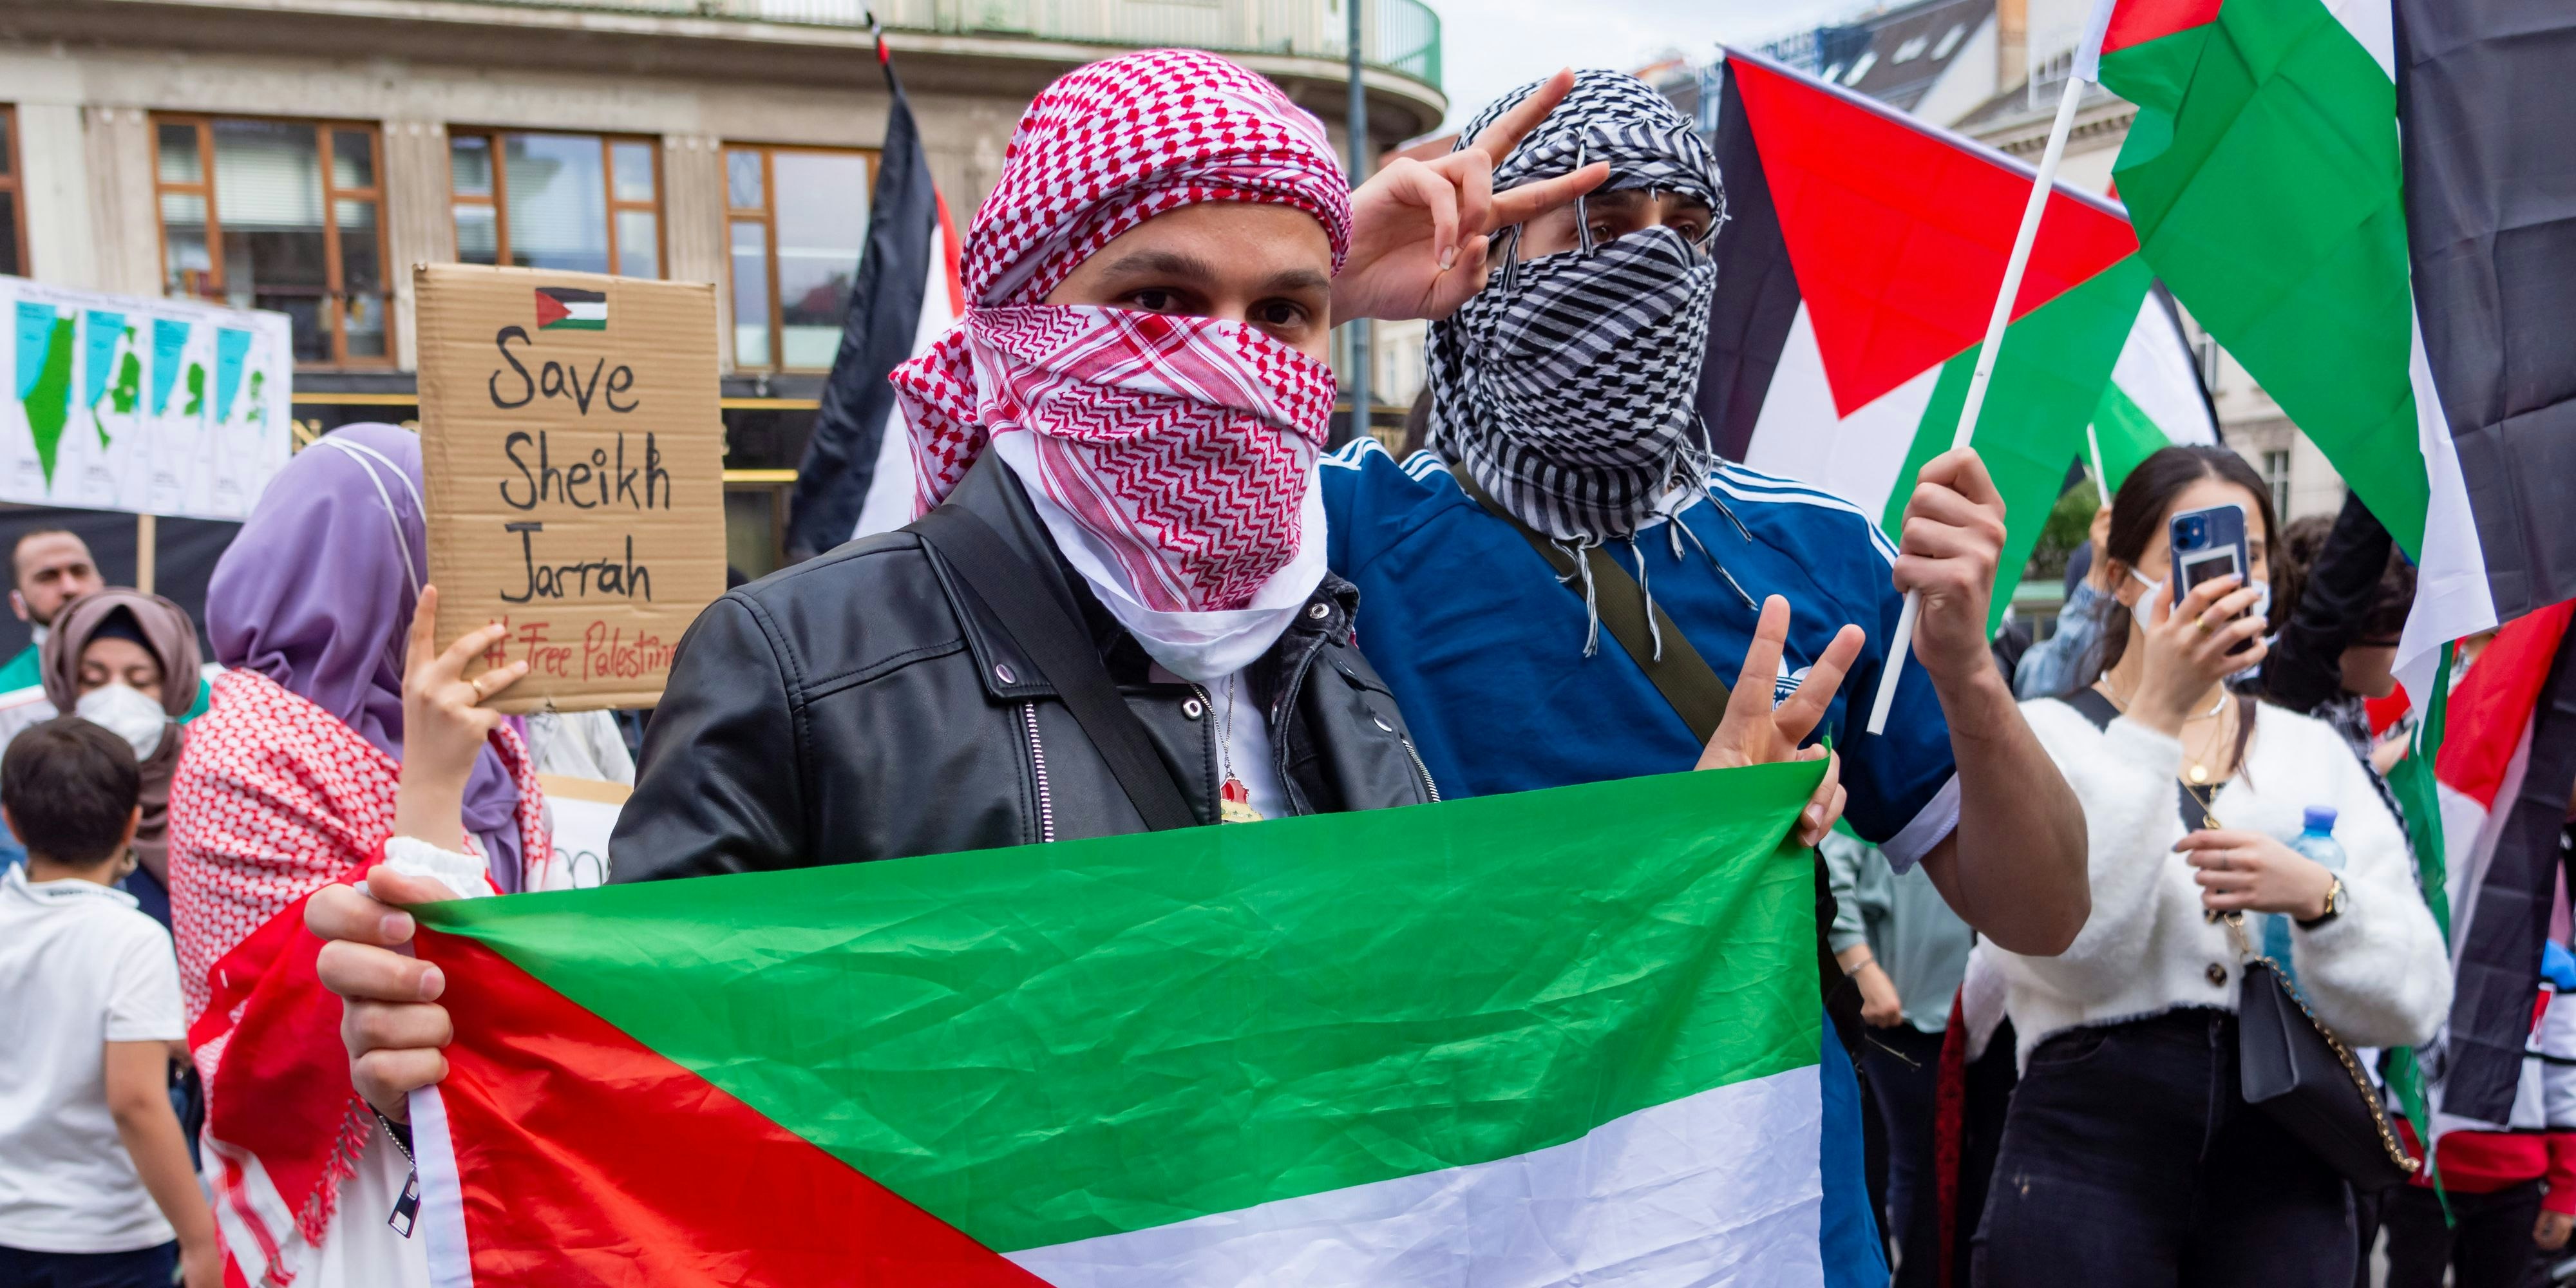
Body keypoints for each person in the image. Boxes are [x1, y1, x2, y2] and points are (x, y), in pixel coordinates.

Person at [308, 47, 1852, 1200]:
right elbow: (644, 1112)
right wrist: (455, 1039)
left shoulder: (1332, 664)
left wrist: (1687, 865)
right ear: (1020, 319)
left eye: (1284, 316)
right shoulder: (798, 664)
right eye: (1160, 301)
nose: (1227, 364)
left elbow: (1445, 1063)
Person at [1317, 70, 2090, 1282]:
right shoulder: (1340, 533)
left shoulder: (1826, 554)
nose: (1652, 262)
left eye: (1686, 227)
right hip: (1464, 1216)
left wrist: (1972, 676)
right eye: (1600, 221)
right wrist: (1327, 269)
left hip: (1765, 1218)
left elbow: (2044, 914)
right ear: (1474, 251)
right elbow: (1022, 498)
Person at [1971, 445, 2451, 1287]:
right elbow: (2066, 952)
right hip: (2088, 1147)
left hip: (2281, 1143)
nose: (2232, 577)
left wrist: (2321, 897)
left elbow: (2416, 998)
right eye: (2193, 549)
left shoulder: (2309, 751)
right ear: (2122, 578)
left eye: (2253, 553)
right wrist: (2156, 714)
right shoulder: (2044, 735)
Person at [166, 423, 551, 1288]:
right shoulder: (246, 751)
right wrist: (430, 782)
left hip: (496, 1152)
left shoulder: (495, 736)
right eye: (436, 544)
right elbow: (287, 1015)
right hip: (350, 1205)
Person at [0, 717, 218, 1288]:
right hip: (102, 1238)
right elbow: (136, 1100)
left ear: (10, 820)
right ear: (132, 823)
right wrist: (199, 1241)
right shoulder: (133, 940)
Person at [2383, 940, 2576, 1288]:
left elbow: (2565, 1081)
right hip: (2417, 1173)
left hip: (2513, 1182)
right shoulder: (2410, 939)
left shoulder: (2557, 969)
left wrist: (2567, 1188)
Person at [39, 590, 202, 929]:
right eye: (93, 680)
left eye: (140, 682)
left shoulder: (210, 780)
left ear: (174, 686)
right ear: (66, 683)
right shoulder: (38, 782)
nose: (117, 697)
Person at [0, 529, 105, 694]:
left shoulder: (155, 670)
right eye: (47, 577)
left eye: (79, 571)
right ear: (18, 604)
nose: (70, 588)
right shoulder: (7, 694)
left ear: (102, 584)